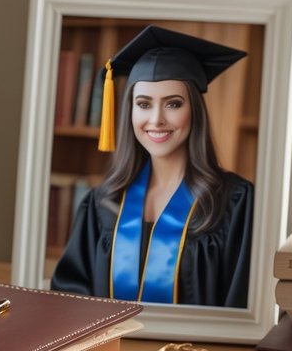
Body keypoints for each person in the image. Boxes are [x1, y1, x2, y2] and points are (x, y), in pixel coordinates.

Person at [50, 26, 254, 307]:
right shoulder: (102, 202)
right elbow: (71, 299)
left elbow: (242, 302)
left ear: (194, 111)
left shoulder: (235, 202)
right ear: (130, 111)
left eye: (173, 104)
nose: (156, 119)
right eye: (144, 104)